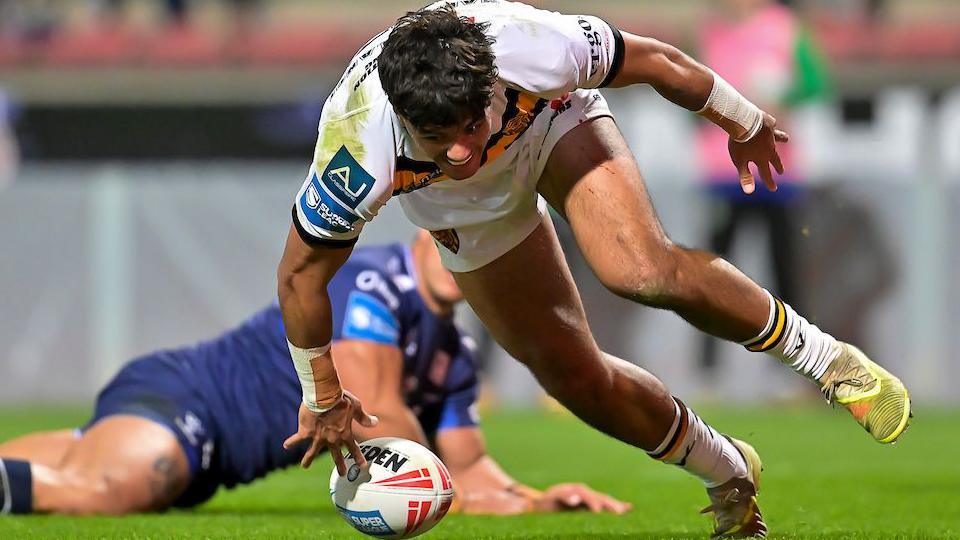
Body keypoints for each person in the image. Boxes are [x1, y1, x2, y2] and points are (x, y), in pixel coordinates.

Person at [276, 2, 911, 537]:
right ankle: (727, 470)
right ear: (403, 117)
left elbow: (660, 62)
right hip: (458, 205)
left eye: (472, 123)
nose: (464, 150)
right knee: (569, 373)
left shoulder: (529, 46)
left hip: (550, 125)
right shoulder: (357, 148)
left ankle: (826, 360)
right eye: (439, 136)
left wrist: (741, 121)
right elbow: (301, 274)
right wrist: (323, 395)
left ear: (493, 81)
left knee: (640, 269)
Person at [0, 233, 630, 516]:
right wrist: (454, 498)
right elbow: (379, 412)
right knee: (125, 486)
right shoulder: (374, 283)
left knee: (87, 464)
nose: (460, 249)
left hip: (216, 458)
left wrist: (533, 501)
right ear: (426, 225)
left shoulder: (453, 355)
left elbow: (467, 467)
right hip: (188, 396)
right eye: (450, 233)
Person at [696, 0, 833, 375]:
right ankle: (707, 372)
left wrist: (781, 96)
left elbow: (815, 83)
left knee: (784, 271)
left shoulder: (785, 28)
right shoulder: (711, 30)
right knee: (709, 277)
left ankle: (792, 373)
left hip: (776, 170)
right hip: (723, 170)